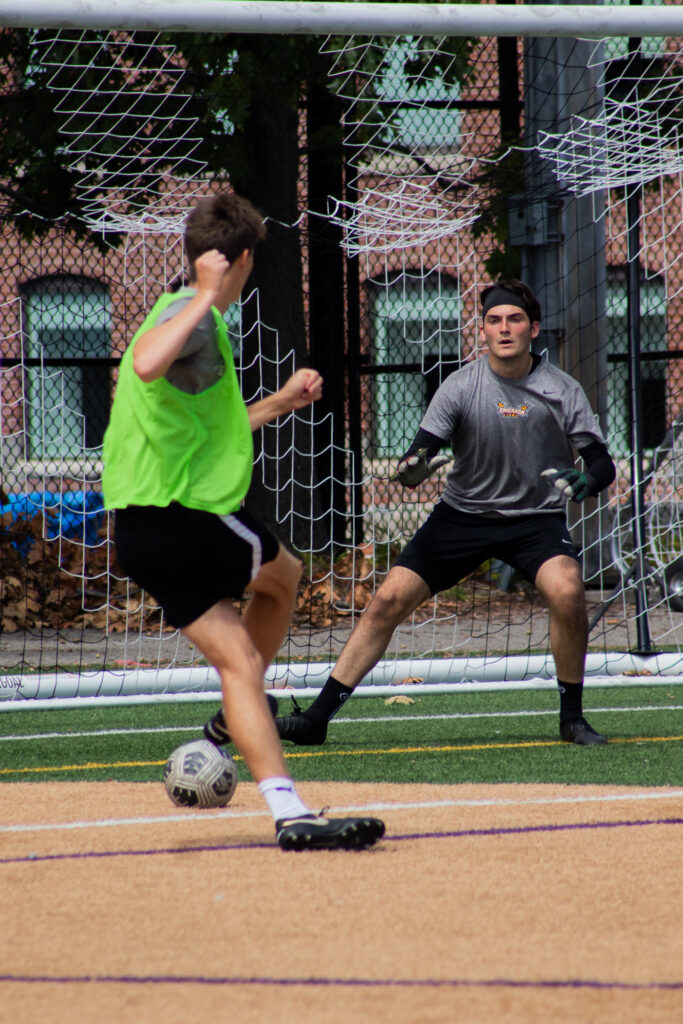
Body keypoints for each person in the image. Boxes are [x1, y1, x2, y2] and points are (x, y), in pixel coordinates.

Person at [102, 191, 384, 851]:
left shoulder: (182, 323)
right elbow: (146, 364)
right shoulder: (189, 315)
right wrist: (202, 293)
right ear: (242, 259)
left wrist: (281, 403)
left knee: (240, 659)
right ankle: (245, 718)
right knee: (283, 574)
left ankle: (285, 808)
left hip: (143, 532)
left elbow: (205, 424)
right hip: (186, 517)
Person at [244, 278, 615, 749]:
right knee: (386, 600)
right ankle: (317, 719)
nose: (504, 328)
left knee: (567, 591)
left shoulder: (562, 389)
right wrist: (414, 469)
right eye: (494, 320)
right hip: (460, 517)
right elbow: (412, 466)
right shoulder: (460, 386)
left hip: (535, 522)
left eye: (515, 319)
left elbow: (602, 463)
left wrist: (587, 481)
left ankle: (572, 719)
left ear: (534, 329)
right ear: (482, 331)